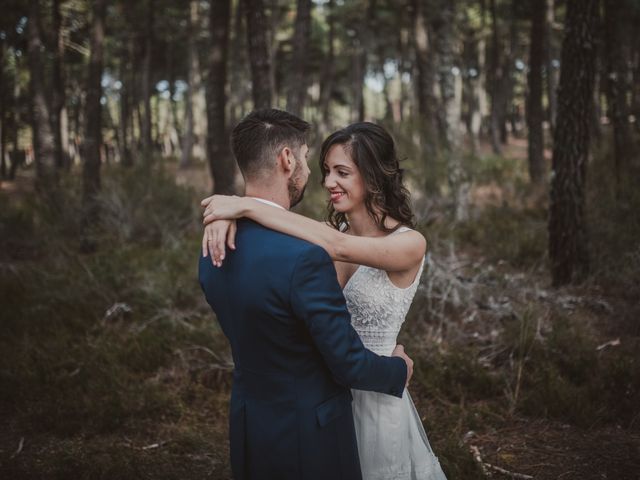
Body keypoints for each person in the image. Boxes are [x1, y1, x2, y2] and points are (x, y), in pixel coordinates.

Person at [202, 122, 447, 479]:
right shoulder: (325, 235)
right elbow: (282, 248)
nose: (329, 182)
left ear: (374, 176)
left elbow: (339, 247)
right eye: (326, 171)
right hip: (325, 396)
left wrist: (241, 205)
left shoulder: (409, 243)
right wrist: (227, 216)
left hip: (376, 394)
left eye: (342, 172)